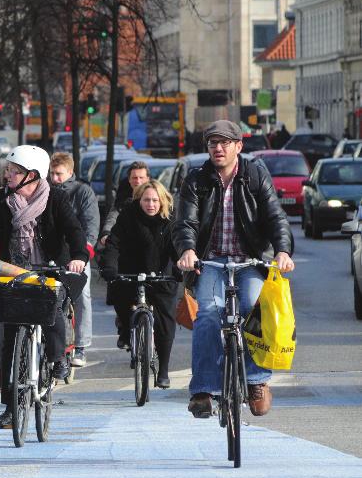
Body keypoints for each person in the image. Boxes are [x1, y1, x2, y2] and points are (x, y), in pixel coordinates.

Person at [173, 119, 294, 418]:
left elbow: (275, 216)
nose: (219, 148)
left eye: (225, 142)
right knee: (209, 314)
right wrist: (187, 250)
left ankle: (256, 382)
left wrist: (282, 250)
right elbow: (185, 222)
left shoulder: (254, 174)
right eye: (213, 143)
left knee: (254, 308)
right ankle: (203, 391)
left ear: (238, 146)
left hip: (249, 261)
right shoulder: (197, 179)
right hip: (211, 261)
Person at [0, 145, 87, 429]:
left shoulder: (56, 198)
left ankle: (57, 358)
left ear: (32, 175)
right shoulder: (3, 199)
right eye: (8, 170)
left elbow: (74, 230)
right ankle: (10, 408)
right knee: (9, 340)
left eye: (14, 171)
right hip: (13, 270)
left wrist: (78, 257)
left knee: (53, 308)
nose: (8, 175)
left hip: (51, 268)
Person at [100, 180, 178, 388]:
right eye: (146, 200)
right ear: (139, 200)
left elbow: (177, 247)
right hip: (130, 272)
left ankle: (163, 370)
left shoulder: (170, 220)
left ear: (162, 201)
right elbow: (114, 243)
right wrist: (109, 267)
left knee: (166, 323)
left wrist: (180, 268)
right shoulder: (128, 216)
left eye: (155, 200)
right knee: (121, 298)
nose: (150, 204)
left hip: (161, 276)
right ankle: (126, 330)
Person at [48, 152, 100, 367]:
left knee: (82, 296)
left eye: (59, 174)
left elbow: (90, 224)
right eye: (52, 173)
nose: (55, 178)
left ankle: (81, 344)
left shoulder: (83, 192)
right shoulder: (47, 191)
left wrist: (85, 253)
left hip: (77, 253)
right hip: (54, 253)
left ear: (70, 172)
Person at [99, 160, 149, 246]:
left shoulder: (156, 195)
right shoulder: (123, 196)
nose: (138, 181)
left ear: (148, 179)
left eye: (141, 178)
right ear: (129, 179)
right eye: (134, 178)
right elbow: (114, 215)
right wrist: (106, 233)